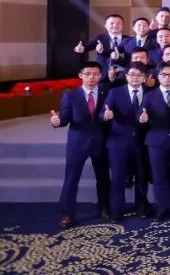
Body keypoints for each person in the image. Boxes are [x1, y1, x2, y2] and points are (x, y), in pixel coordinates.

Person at [51, 61, 111, 228]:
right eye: (88, 74)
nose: (91, 77)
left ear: (100, 76)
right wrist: (57, 121)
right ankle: (67, 213)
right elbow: (65, 118)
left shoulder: (107, 92)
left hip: (101, 141)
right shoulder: (71, 96)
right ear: (80, 75)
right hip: (77, 142)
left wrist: (109, 117)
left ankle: (104, 208)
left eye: (96, 74)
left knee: (103, 178)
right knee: (71, 178)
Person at [102, 62, 151, 221]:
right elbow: (104, 111)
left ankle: (141, 206)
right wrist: (106, 116)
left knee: (142, 176)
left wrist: (148, 119)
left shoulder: (151, 93)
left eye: (139, 75)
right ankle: (117, 209)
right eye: (132, 74)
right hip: (118, 142)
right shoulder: (115, 92)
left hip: (142, 142)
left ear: (144, 77)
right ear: (126, 76)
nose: (135, 78)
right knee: (118, 176)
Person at [141, 61, 170, 220]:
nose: (167, 78)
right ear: (158, 76)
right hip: (156, 141)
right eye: (164, 74)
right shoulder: (149, 96)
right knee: (159, 175)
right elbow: (141, 115)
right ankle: (161, 208)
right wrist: (142, 119)